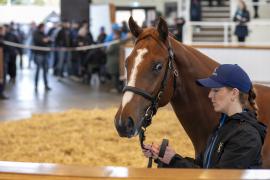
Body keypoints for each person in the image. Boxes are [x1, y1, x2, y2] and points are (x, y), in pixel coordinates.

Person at [143, 64, 267, 168]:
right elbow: (204, 167)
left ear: (234, 93)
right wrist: (169, 158)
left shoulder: (246, 136)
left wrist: (173, 161)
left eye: (216, 90)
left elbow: (217, 178)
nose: (209, 95)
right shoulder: (222, 127)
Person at [33, 23, 51, 92]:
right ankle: (36, 85)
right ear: (41, 27)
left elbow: (48, 41)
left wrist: (46, 40)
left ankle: (46, 85)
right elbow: (40, 41)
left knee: (45, 70)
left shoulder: (44, 34)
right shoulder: (36, 33)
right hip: (39, 54)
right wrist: (45, 40)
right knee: (38, 70)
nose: (44, 28)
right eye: (44, 27)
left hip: (45, 54)